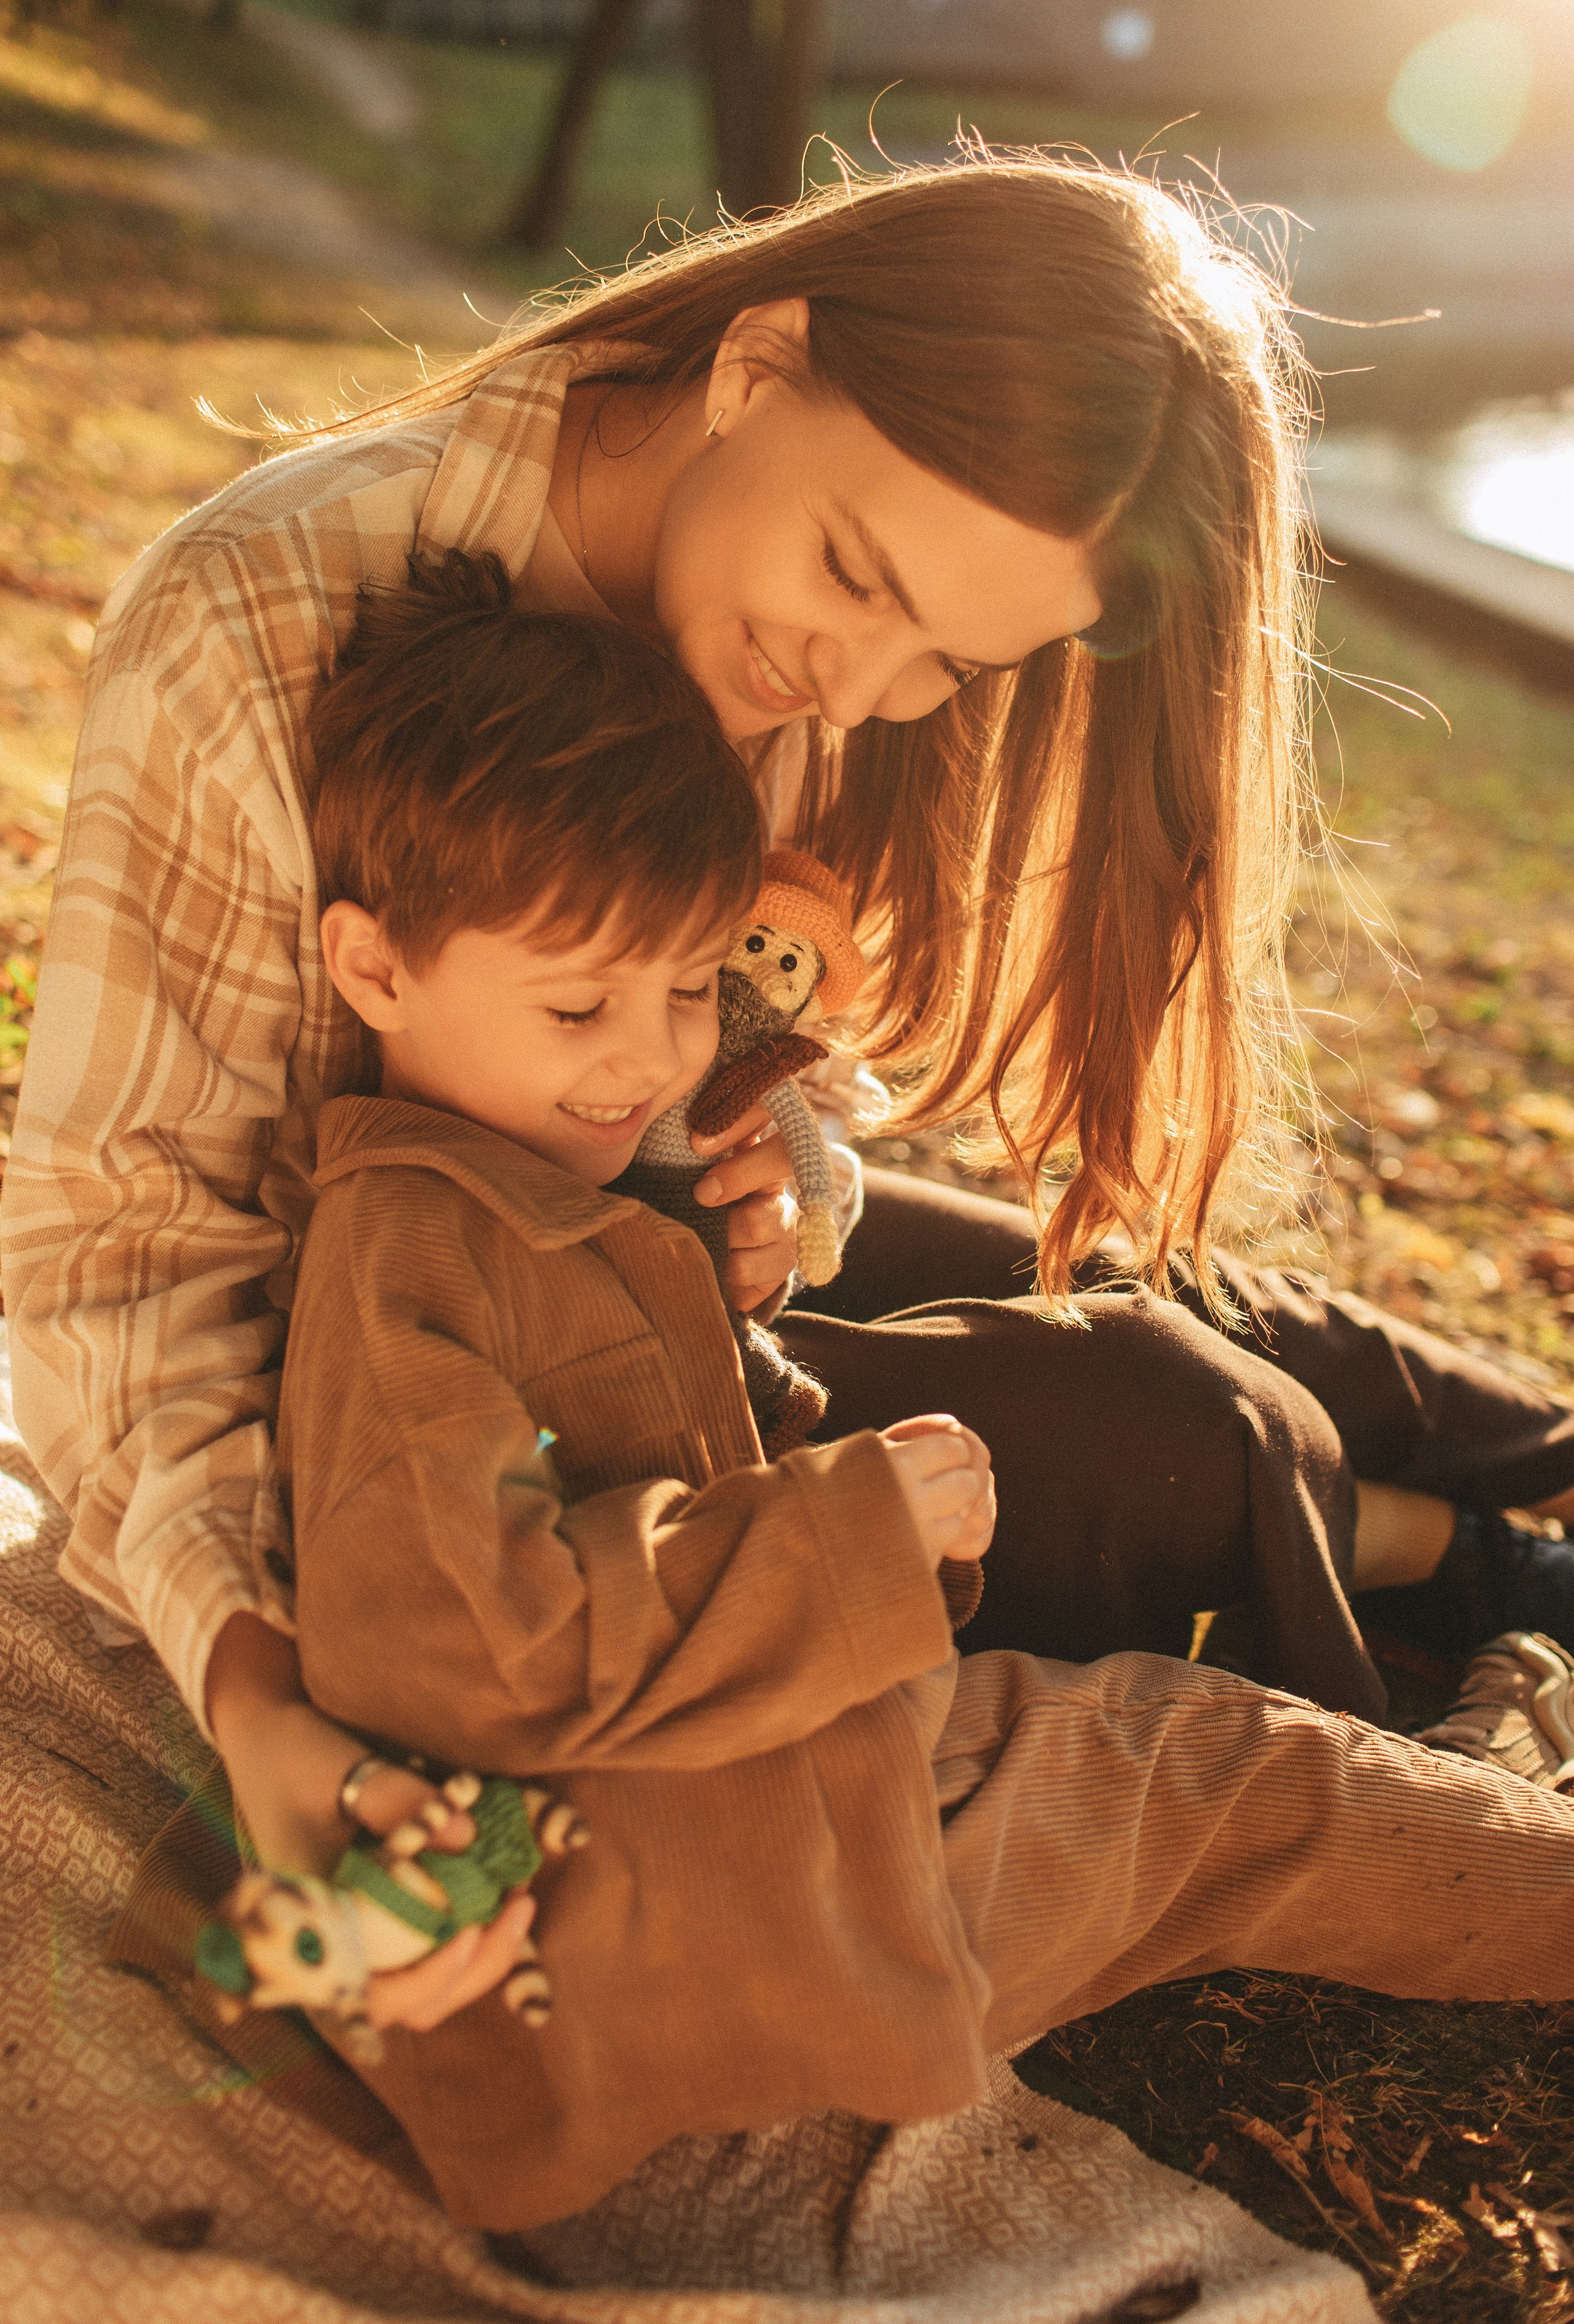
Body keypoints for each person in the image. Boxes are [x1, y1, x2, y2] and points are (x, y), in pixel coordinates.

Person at [4, 154, 1573, 2038]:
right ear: (756, 366)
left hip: (640, 1236)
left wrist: (781, 1178)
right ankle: (1504, 1574)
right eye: (857, 579)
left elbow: (782, 1073)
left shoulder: (827, 645)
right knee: (1172, 1420)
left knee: (1196, 1296)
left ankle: (1541, 1460)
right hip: (447, 1372)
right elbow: (120, 1255)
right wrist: (260, 1693)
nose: (862, 681)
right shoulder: (261, 617)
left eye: (952, 660)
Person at [158, 549, 1568, 2240]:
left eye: (690, 991)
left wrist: (844, 1465)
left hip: (778, 1788)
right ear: (373, 970)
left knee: (1241, 1772)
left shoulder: (538, 1170)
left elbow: (666, 1462)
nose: (646, 1060)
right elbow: (481, 1646)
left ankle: (1508, 1681)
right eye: (577, 1004)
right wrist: (851, 1529)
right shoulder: (408, 1257)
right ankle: (1516, 1725)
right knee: (1240, 1784)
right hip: (713, 1908)